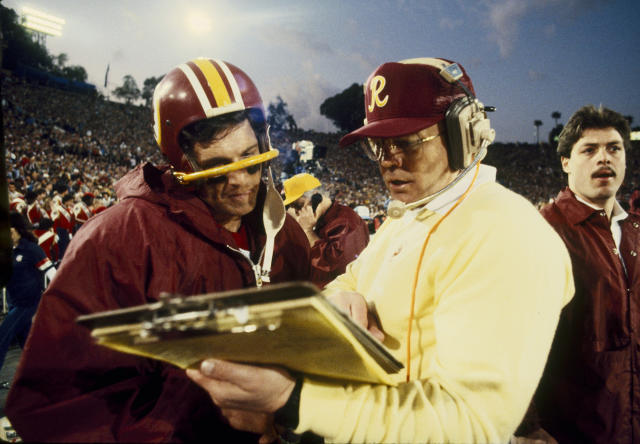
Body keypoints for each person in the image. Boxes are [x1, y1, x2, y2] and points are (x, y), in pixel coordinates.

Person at [185, 57, 574, 443]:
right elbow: (349, 281)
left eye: (407, 142)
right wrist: (337, 305)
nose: (389, 162)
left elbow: (470, 424)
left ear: (464, 133)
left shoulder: (506, 230)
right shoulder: (410, 215)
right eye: (379, 146)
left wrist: (295, 400)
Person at [6, 57, 311, 442]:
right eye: (217, 167)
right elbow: (55, 405)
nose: (240, 181)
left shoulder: (285, 235)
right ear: (180, 160)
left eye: (250, 159)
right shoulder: (119, 239)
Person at [520, 105, 640, 443]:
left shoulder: (635, 232)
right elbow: (511, 333)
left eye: (614, 148)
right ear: (566, 163)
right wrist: (526, 426)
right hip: (569, 428)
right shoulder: (541, 230)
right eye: (589, 149)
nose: (604, 158)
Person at [283, 172, 370, 288]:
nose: (297, 212)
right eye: (292, 207)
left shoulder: (346, 221)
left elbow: (337, 270)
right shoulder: (322, 220)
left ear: (316, 198)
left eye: (298, 205)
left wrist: (307, 231)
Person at [0, 213, 55, 381]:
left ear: (16, 229)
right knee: (28, 344)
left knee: (2, 337)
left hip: (28, 303)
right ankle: (44, 376)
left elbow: (53, 274)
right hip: (14, 302)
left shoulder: (32, 250)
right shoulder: (7, 250)